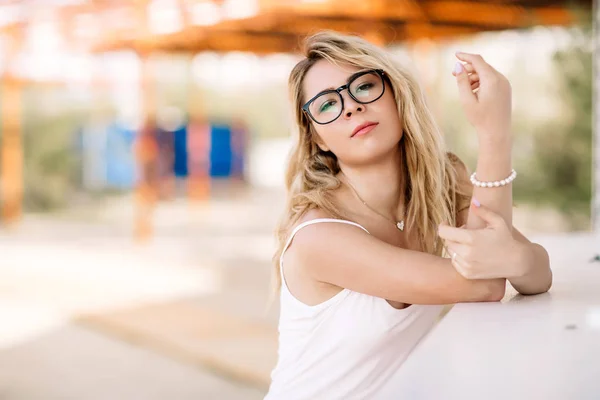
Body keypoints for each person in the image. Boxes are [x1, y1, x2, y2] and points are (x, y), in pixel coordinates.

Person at [265, 31, 553, 400]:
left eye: (364, 86)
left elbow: (536, 276)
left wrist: (521, 258)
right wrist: (494, 131)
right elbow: (486, 284)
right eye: (326, 105)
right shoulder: (318, 237)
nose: (351, 106)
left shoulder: (441, 184)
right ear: (318, 137)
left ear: (395, 94)